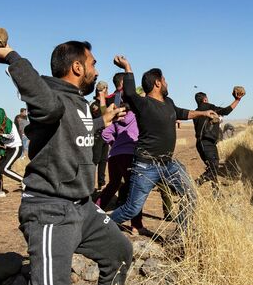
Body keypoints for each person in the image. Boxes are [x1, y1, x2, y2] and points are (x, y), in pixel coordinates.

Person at [0, 36, 132, 285]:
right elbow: (49, 107)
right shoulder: (52, 96)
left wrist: (100, 122)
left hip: (83, 208)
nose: (97, 70)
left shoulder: (76, 101)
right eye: (93, 63)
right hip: (50, 211)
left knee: (120, 253)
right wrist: (12, 57)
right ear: (77, 67)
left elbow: (71, 130)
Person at [110, 55, 216, 233]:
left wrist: (203, 114)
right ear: (157, 83)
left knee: (191, 194)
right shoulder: (143, 104)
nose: (167, 83)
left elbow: (181, 113)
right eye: (164, 80)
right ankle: (97, 226)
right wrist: (127, 67)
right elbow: (129, 93)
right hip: (146, 166)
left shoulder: (168, 102)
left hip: (168, 164)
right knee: (131, 209)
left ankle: (182, 235)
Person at [97, 85, 146, 235]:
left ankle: (95, 211)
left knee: (113, 185)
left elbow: (105, 133)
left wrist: (115, 143)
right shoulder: (137, 117)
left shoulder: (118, 119)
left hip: (114, 156)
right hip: (129, 155)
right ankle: (136, 225)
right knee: (134, 189)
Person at [194, 90, 244, 185]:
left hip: (201, 144)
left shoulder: (196, 112)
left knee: (212, 168)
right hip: (207, 143)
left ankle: (216, 193)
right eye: (207, 99)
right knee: (214, 169)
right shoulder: (208, 107)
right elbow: (226, 111)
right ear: (205, 99)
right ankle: (194, 185)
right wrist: (237, 100)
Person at [0, 108, 23, 198]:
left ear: (1, 115)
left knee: (5, 169)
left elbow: (11, 136)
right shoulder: (0, 124)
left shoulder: (7, 122)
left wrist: (1, 135)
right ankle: (1, 191)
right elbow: (1, 139)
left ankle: (24, 181)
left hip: (16, 148)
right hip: (8, 149)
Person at [90, 82, 110, 189]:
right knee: (95, 161)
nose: (108, 92)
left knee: (103, 160)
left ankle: (100, 183)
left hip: (104, 136)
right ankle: (90, 185)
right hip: (96, 136)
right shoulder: (94, 105)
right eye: (106, 89)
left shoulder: (104, 104)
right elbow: (104, 115)